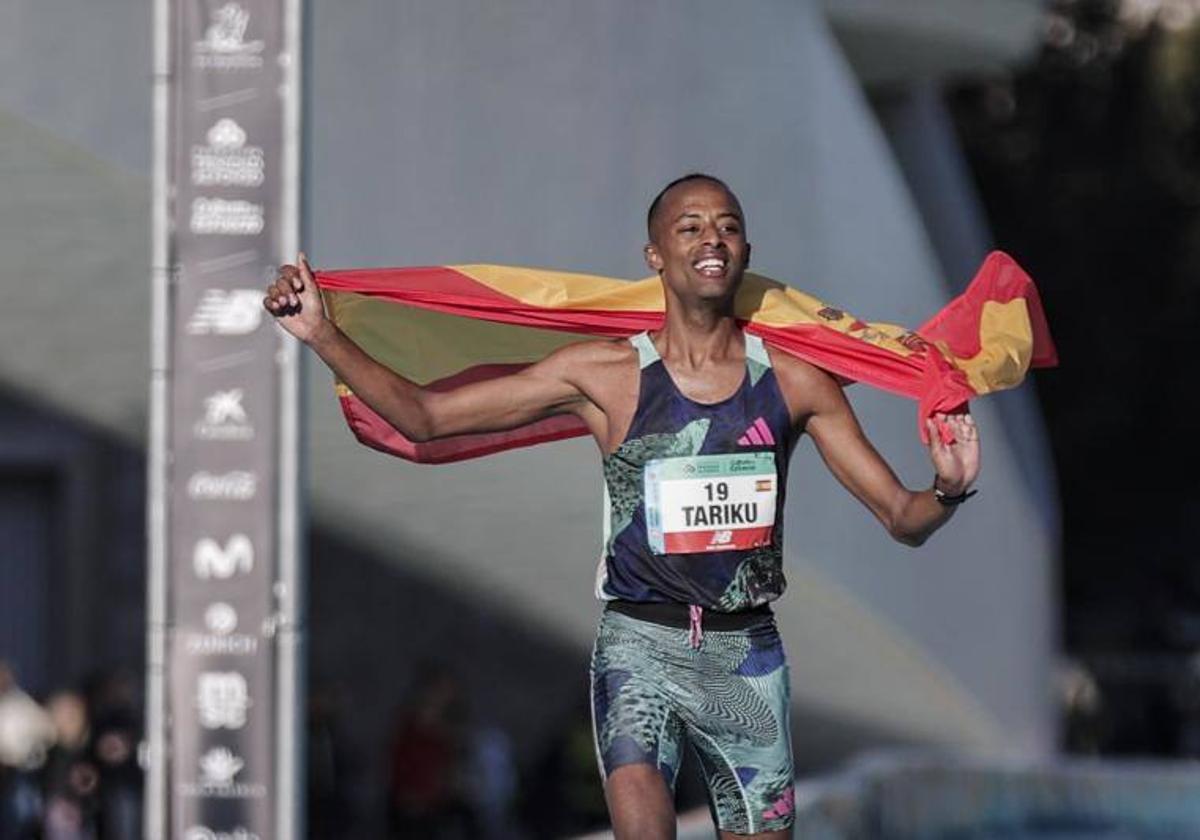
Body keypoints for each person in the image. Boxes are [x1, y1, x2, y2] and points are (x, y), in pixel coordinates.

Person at [264, 173, 980, 839]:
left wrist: (945, 488)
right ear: (656, 256)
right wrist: (323, 335)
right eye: (691, 227)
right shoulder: (603, 375)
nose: (712, 240)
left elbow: (900, 517)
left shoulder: (796, 383)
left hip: (747, 658)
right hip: (639, 646)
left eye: (727, 227)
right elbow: (426, 417)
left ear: (746, 252)